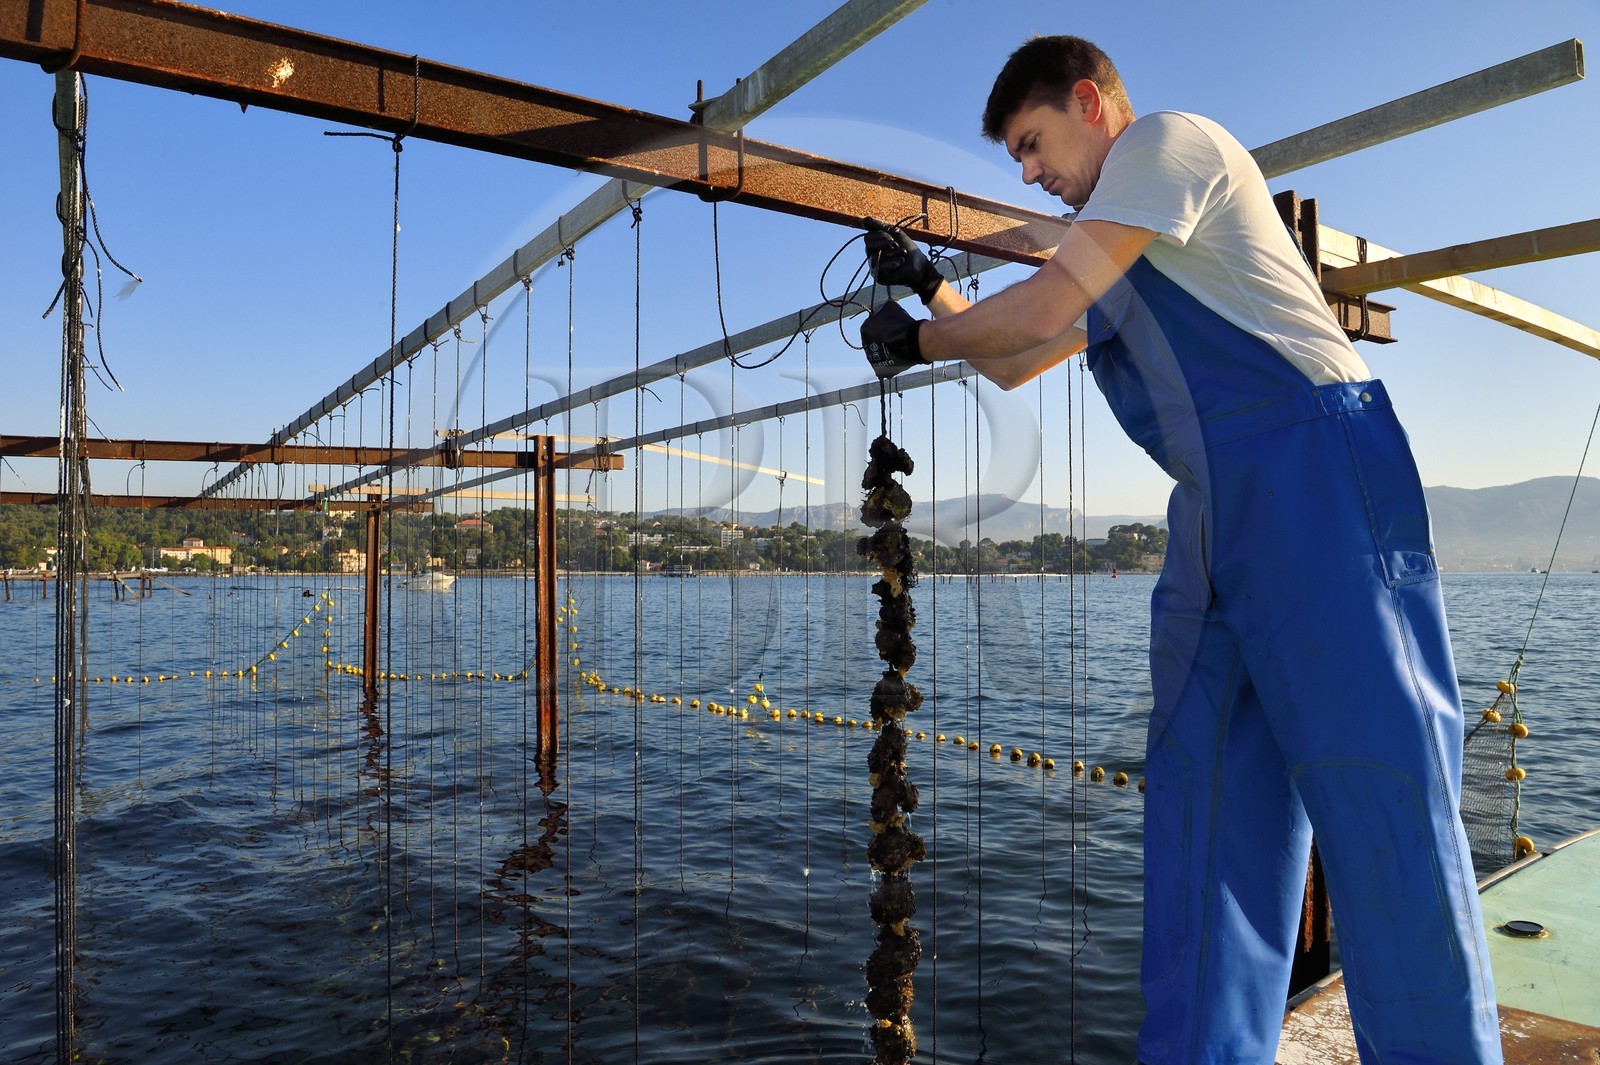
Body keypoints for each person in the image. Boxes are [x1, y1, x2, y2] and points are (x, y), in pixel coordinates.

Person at [860, 35, 1502, 1065]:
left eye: (1032, 143)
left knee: (1384, 807)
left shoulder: (1166, 144)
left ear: (1091, 102)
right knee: (1206, 823)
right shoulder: (1116, 241)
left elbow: (1035, 310)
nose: (1029, 173)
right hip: (1215, 514)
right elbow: (1020, 359)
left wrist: (920, 337)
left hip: (1320, 479)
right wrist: (931, 289)